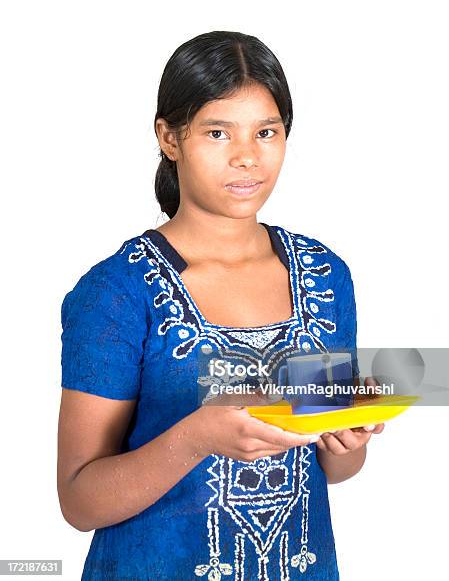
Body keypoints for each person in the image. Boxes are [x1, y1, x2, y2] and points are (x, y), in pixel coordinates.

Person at [57, 30, 384, 580]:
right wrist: (198, 435)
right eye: (216, 132)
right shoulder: (117, 292)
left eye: (266, 132)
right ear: (168, 137)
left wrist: (348, 436)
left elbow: (334, 466)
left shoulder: (326, 277)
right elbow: (79, 500)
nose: (246, 157)